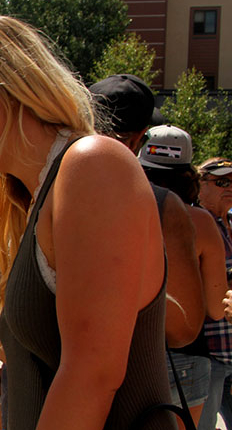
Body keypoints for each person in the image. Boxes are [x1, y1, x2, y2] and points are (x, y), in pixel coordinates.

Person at [0, 16, 174, 428]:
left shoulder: (93, 165)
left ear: (6, 81)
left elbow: (92, 374)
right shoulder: (36, 195)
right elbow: (37, 359)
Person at [90, 75, 205, 346]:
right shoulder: (163, 207)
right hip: (137, 368)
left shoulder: (40, 188)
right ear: (138, 139)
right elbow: (183, 328)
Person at [139, 125, 227, 427]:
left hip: (130, 350)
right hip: (187, 356)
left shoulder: (120, 210)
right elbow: (216, 308)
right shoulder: (202, 222)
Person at [194, 157, 232, 430]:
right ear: (200, 185)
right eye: (221, 181)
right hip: (212, 353)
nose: (229, 187)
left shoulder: (228, 224)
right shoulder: (196, 223)